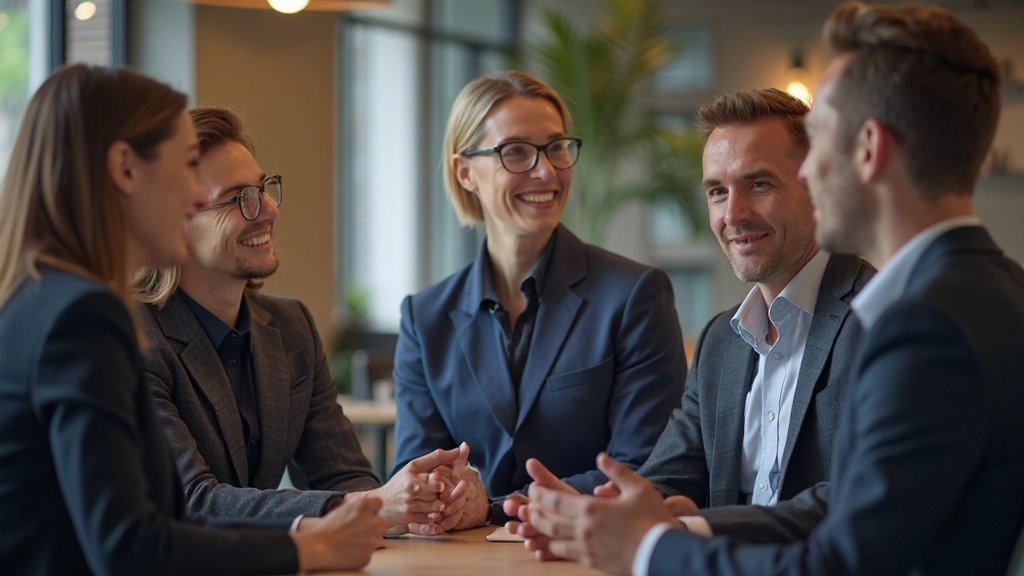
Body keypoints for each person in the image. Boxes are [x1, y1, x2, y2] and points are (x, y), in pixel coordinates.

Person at [518, 2, 1024, 575]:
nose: (808, 173)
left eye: (822, 140)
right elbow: (853, 513)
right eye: (716, 190)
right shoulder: (993, 289)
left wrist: (650, 549)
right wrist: (651, 522)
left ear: (869, 149)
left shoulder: (922, 322)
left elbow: (841, 559)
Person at [0, 64, 390, 575]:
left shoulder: (40, 300)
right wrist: (306, 548)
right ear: (124, 169)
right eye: (186, 166)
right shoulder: (85, 318)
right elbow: (130, 547)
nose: (193, 197)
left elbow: (154, 522)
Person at [134, 106, 459, 535]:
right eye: (239, 199)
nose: (269, 210)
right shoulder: (134, 339)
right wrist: (375, 504)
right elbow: (193, 502)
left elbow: (344, 477)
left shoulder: (291, 328)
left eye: (263, 188)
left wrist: (421, 503)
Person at [390, 70, 687, 530]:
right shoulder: (424, 318)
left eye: (556, 148)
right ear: (464, 171)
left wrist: (489, 504)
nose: (546, 170)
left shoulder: (633, 295)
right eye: (516, 152)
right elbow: (415, 472)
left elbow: (645, 469)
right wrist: (440, 495)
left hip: (589, 556)